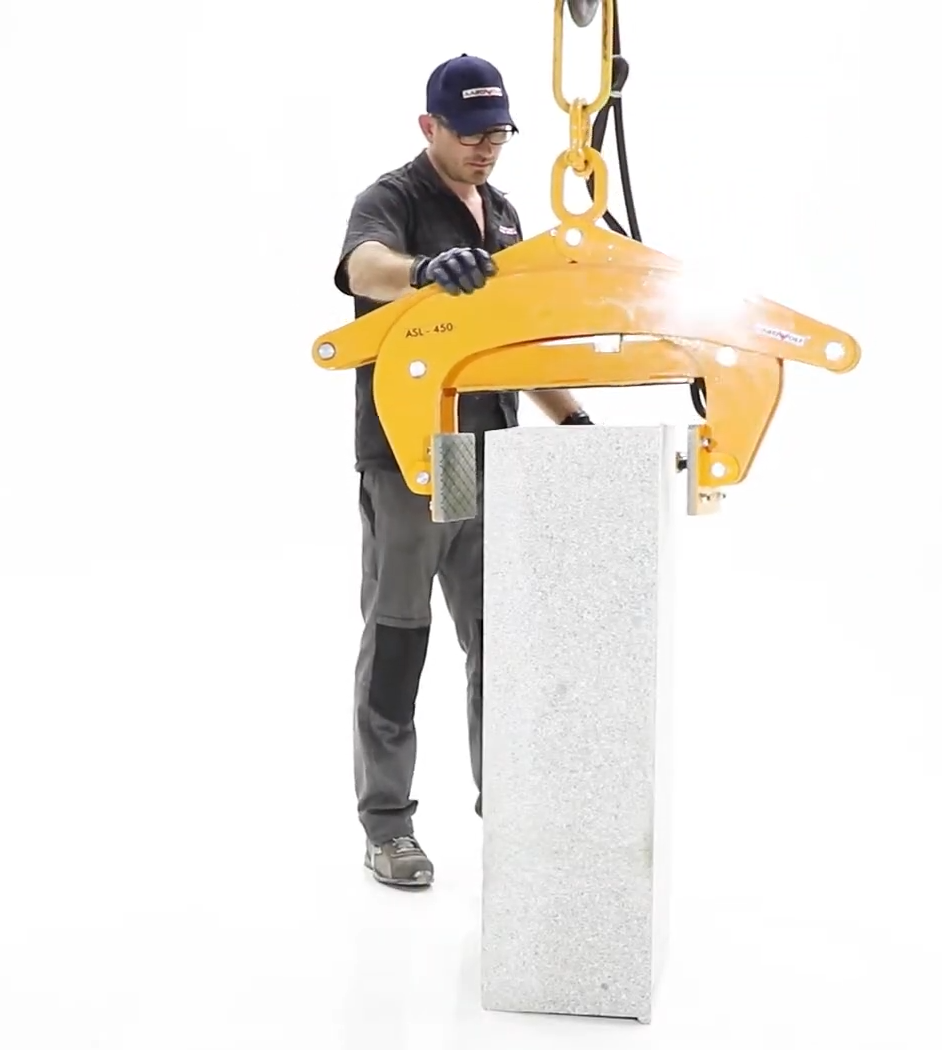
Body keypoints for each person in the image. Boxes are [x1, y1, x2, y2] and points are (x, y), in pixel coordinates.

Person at [332, 54, 594, 888]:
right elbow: (363, 267)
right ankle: (387, 828)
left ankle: (509, 816)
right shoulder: (394, 199)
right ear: (430, 127)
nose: (487, 148)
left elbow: (513, 345)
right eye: (471, 133)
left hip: (487, 460)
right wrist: (420, 271)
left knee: (499, 646)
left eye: (499, 134)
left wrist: (574, 420)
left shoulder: (505, 214)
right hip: (412, 462)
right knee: (399, 643)